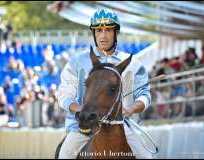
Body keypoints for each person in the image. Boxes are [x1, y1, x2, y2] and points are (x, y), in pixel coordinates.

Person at [56, 8, 152, 159]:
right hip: (84, 126)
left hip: (122, 125)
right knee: (64, 155)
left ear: (116, 33)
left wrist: (132, 108)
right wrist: (79, 109)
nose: (103, 35)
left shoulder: (134, 63)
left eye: (108, 30)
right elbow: (64, 93)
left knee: (147, 157)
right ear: (94, 34)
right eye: (99, 30)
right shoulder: (76, 62)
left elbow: (145, 95)